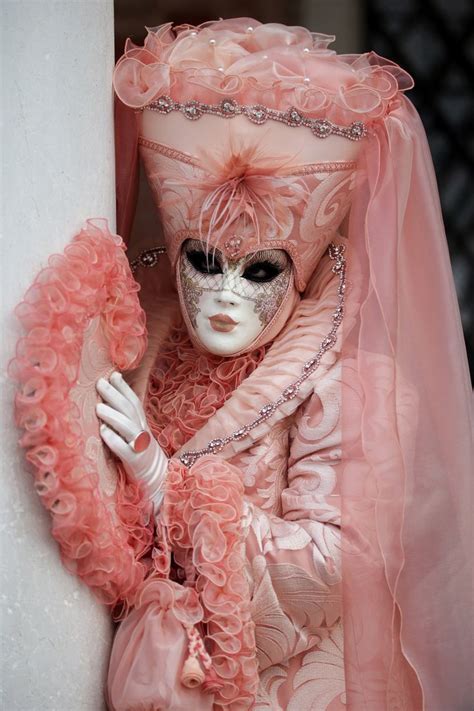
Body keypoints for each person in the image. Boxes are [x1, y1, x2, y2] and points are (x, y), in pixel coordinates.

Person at [11, 18, 473, 711]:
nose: (227, 294)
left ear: (302, 265)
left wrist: (171, 485)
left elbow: (331, 569)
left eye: (259, 270)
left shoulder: (354, 388)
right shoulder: (145, 343)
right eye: (205, 261)